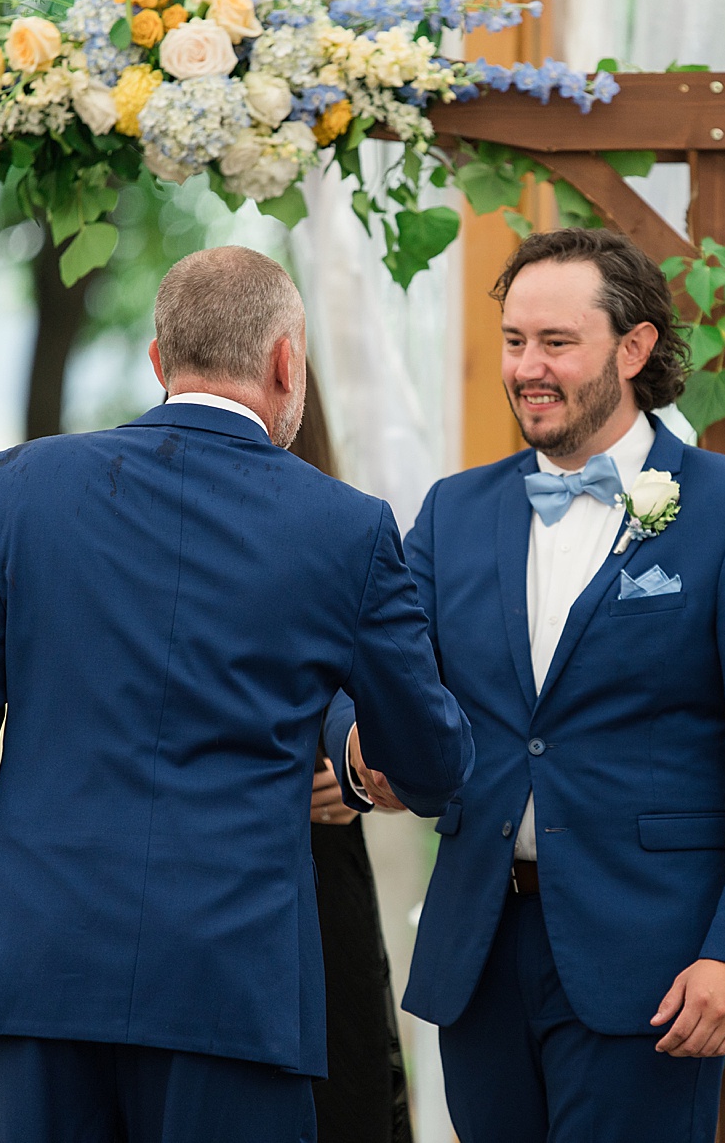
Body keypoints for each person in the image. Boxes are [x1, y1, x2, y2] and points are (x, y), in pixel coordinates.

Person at [0, 247, 474, 1143]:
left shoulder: (15, 489)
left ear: (157, 361)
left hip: (35, 970)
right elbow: (435, 762)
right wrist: (375, 772)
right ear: (286, 363)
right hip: (231, 986)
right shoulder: (347, 525)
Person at [330, 228, 725, 1141]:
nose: (528, 366)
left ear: (634, 349)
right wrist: (361, 761)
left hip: (657, 965)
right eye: (515, 341)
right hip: (480, 950)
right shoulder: (455, 509)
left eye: (556, 343)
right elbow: (362, 670)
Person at [289, 380, 413, 1143]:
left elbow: (370, 680)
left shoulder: (341, 525)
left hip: (316, 860)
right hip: (205, 857)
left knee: (337, 1086)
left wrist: (347, 766)